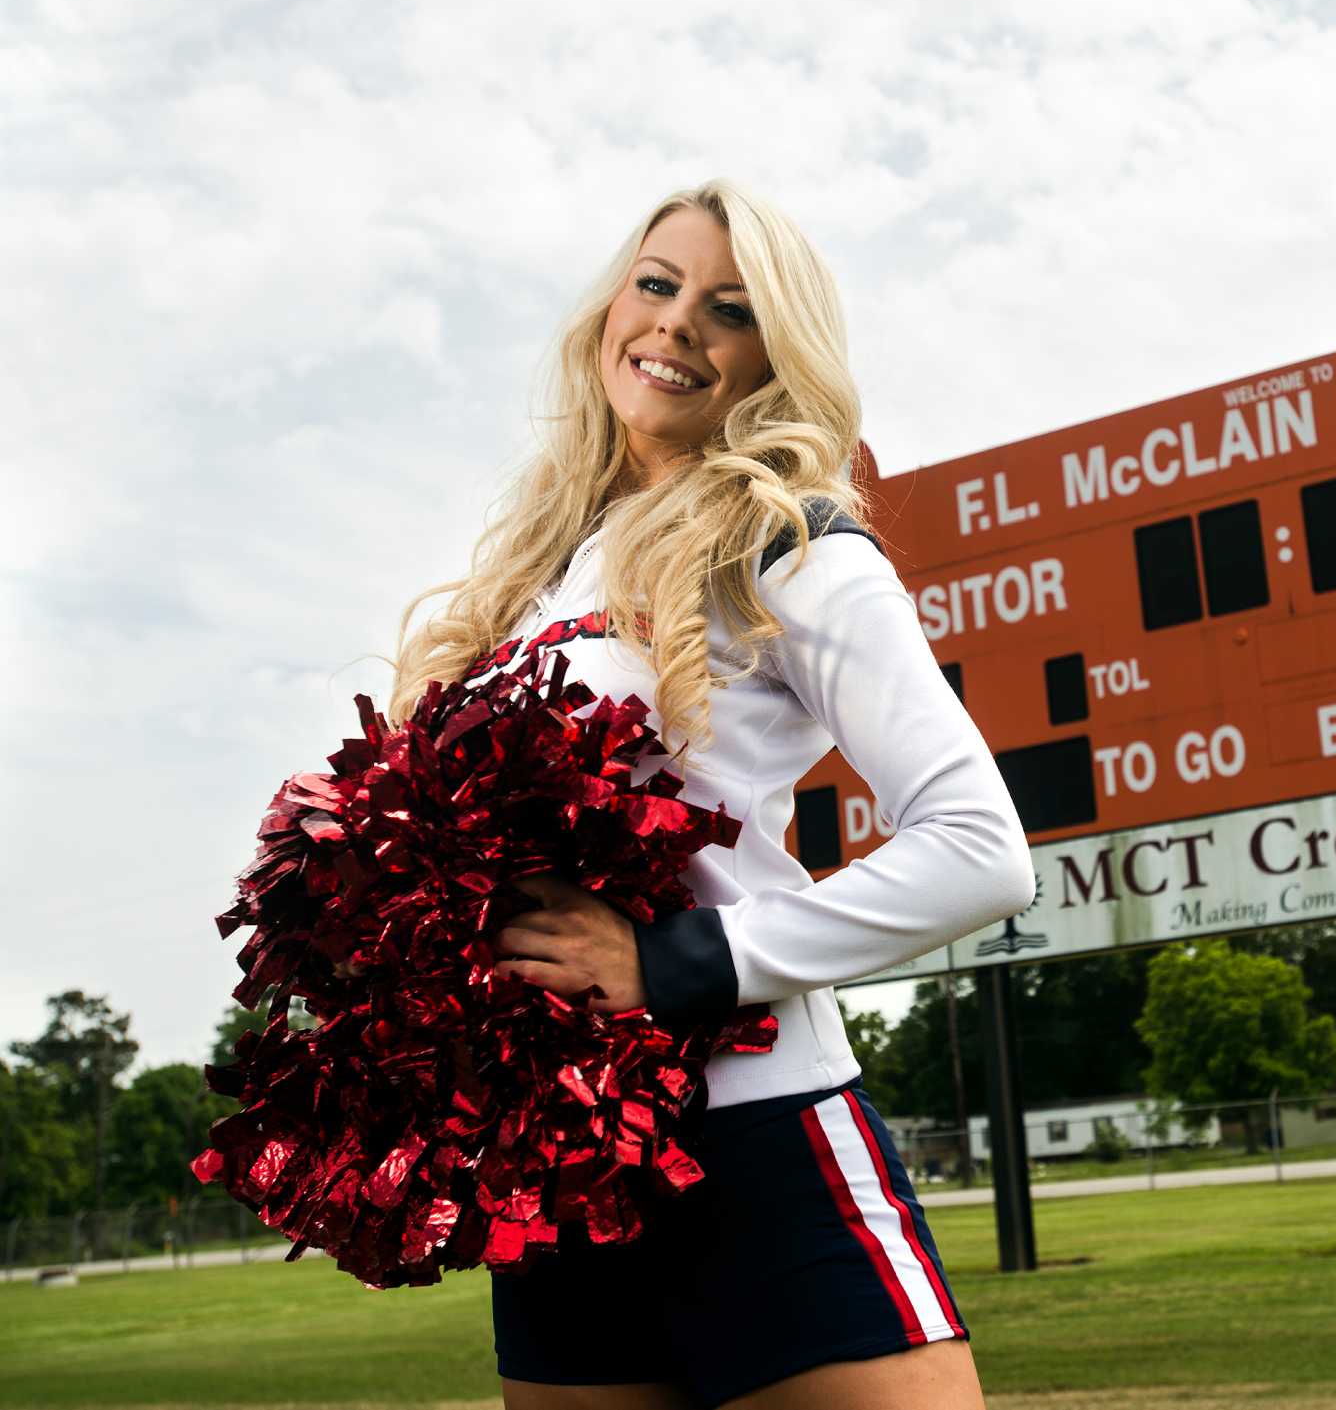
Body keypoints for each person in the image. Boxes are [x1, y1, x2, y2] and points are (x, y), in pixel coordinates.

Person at [383, 179, 1036, 1410]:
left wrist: (674, 962)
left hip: (754, 1126)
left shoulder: (793, 543)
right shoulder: (530, 579)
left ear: (768, 360)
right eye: (657, 284)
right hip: (558, 1159)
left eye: (727, 310)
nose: (677, 324)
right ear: (608, 312)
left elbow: (980, 849)